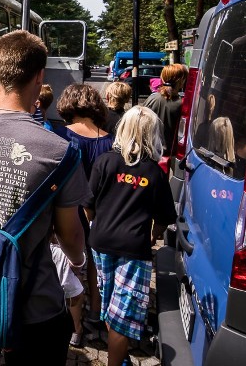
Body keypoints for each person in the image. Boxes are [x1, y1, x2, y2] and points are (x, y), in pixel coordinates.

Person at [0, 29, 89, 365]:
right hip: (35, 304)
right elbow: (70, 235)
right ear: (39, 77)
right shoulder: (60, 152)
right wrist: (79, 264)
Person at [86, 106, 176, 366]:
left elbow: (87, 203)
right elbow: (164, 218)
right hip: (133, 248)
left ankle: (118, 355)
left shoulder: (105, 161)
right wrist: (151, 237)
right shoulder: (155, 173)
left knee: (110, 302)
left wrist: (95, 223)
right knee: (122, 314)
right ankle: (117, 360)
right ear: (153, 135)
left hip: (100, 242)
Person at [55, 83, 114, 342]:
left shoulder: (61, 136)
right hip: (99, 212)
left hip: (68, 208)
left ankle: (72, 323)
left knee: (70, 262)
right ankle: (96, 312)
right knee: (94, 263)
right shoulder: (109, 140)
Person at [143, 63, 188, 154]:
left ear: (162, 78)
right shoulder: (183, 104)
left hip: (150, 151)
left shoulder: (151, 99)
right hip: (172, 155)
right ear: (181, 81)